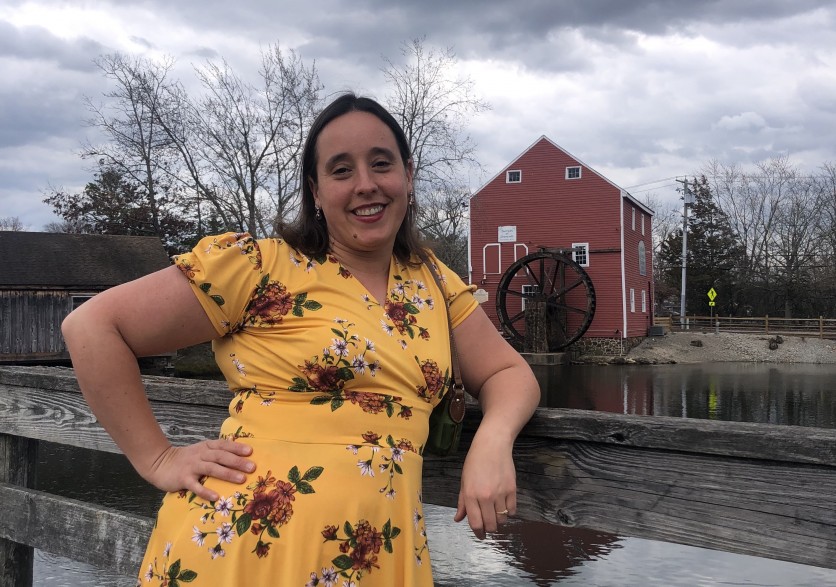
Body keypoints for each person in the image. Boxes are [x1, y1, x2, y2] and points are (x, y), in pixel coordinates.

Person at [62, 92, 540, 586]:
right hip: (241, 552)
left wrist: (492, 441)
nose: (366, 185)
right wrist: (158, 458)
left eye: (381, 164)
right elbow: (92, 327)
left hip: (376, 554)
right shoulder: (260, 267)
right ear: (315, 190)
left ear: (409, 176)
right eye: (341, 170)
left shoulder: (434, 284)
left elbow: (509, 373)